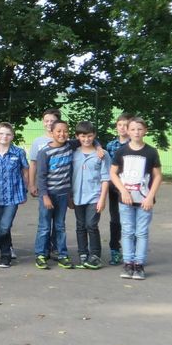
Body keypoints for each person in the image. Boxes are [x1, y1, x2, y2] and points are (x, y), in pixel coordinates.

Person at [110, 117, 162, 280]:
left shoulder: (151, 152)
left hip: (144, 201)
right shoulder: (121, 151)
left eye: (139, 129)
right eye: (132, 129)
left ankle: (139, 265)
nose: (136, 132)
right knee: (127, 231)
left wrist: (150, 197)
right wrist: (123, 191)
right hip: (125, 200)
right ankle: (128, 264)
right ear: (127, 131)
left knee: (141, 232)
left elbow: (158, 176)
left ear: (145, 131)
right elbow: (113, 173)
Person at [34, 121, 82, 270]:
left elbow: (90, 137)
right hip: (48, 195)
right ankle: (41, 254)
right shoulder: (44, 152)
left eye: (65, 131)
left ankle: (62, 254)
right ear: (52, 133)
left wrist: (99, 148)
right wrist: (45, 196)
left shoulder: (70, 145)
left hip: (63, 194)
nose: (62, 134)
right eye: (59, 131)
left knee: (60, 226)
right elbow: (41, 177)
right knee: (44, 226)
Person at [0, 123, 29, 268]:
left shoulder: (18, 152)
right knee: (2, 226)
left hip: (13, 194)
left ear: (12, 136)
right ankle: (5, 256)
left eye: (8, 134)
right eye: (1, 134)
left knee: (4, 225)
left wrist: (26, 187)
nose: (4, 137)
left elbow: (25, 171)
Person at [71, 121, 111, 270]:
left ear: (94, 136)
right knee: (80, 226)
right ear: (77, 137)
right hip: (77, 196)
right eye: (83, 136)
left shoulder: (102, 154)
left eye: (89, 136)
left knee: (91, 225)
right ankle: (83, 254)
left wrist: (102, 199)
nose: (86, 139)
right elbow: (70, 176)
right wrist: (70, 196)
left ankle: (95, 255)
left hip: (94, 196)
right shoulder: (74, 153)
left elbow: (105, 178)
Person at [105, 112, 132, 265]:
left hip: (132, 189)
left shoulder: (134, 146)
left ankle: (132, 251)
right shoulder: (110, 145)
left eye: (126, 125)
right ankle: (115, 250)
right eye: (120, 125)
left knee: (130, 220)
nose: (123, 128)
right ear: (116, 127)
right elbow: (108, 167)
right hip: (115, 189)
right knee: (115, 220)